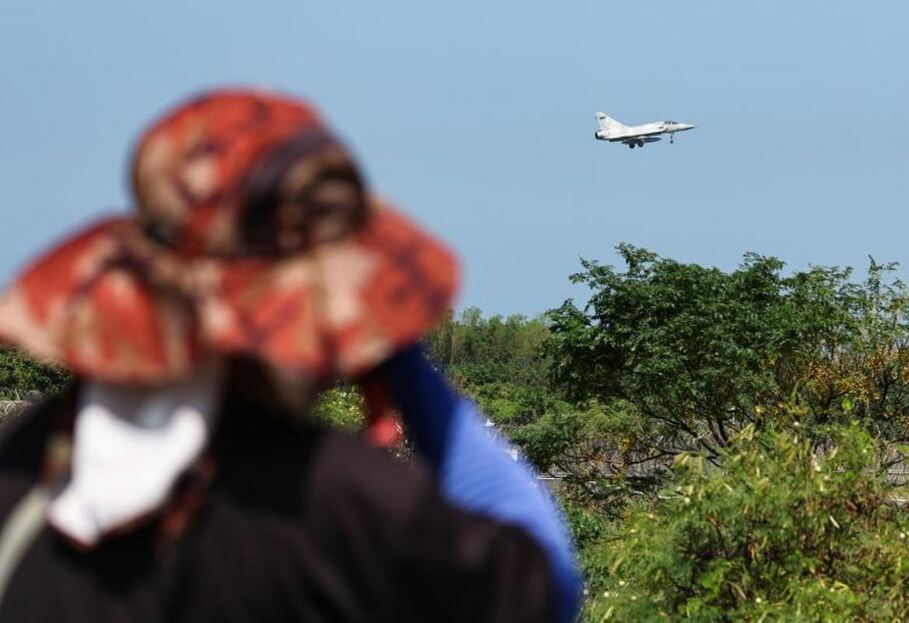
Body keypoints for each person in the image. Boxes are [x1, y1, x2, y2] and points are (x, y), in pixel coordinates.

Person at [0, 89, 581, 622]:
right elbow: (548, 581)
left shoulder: (26, 459)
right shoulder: (341, 502)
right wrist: (405, 367)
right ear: (324, 306)